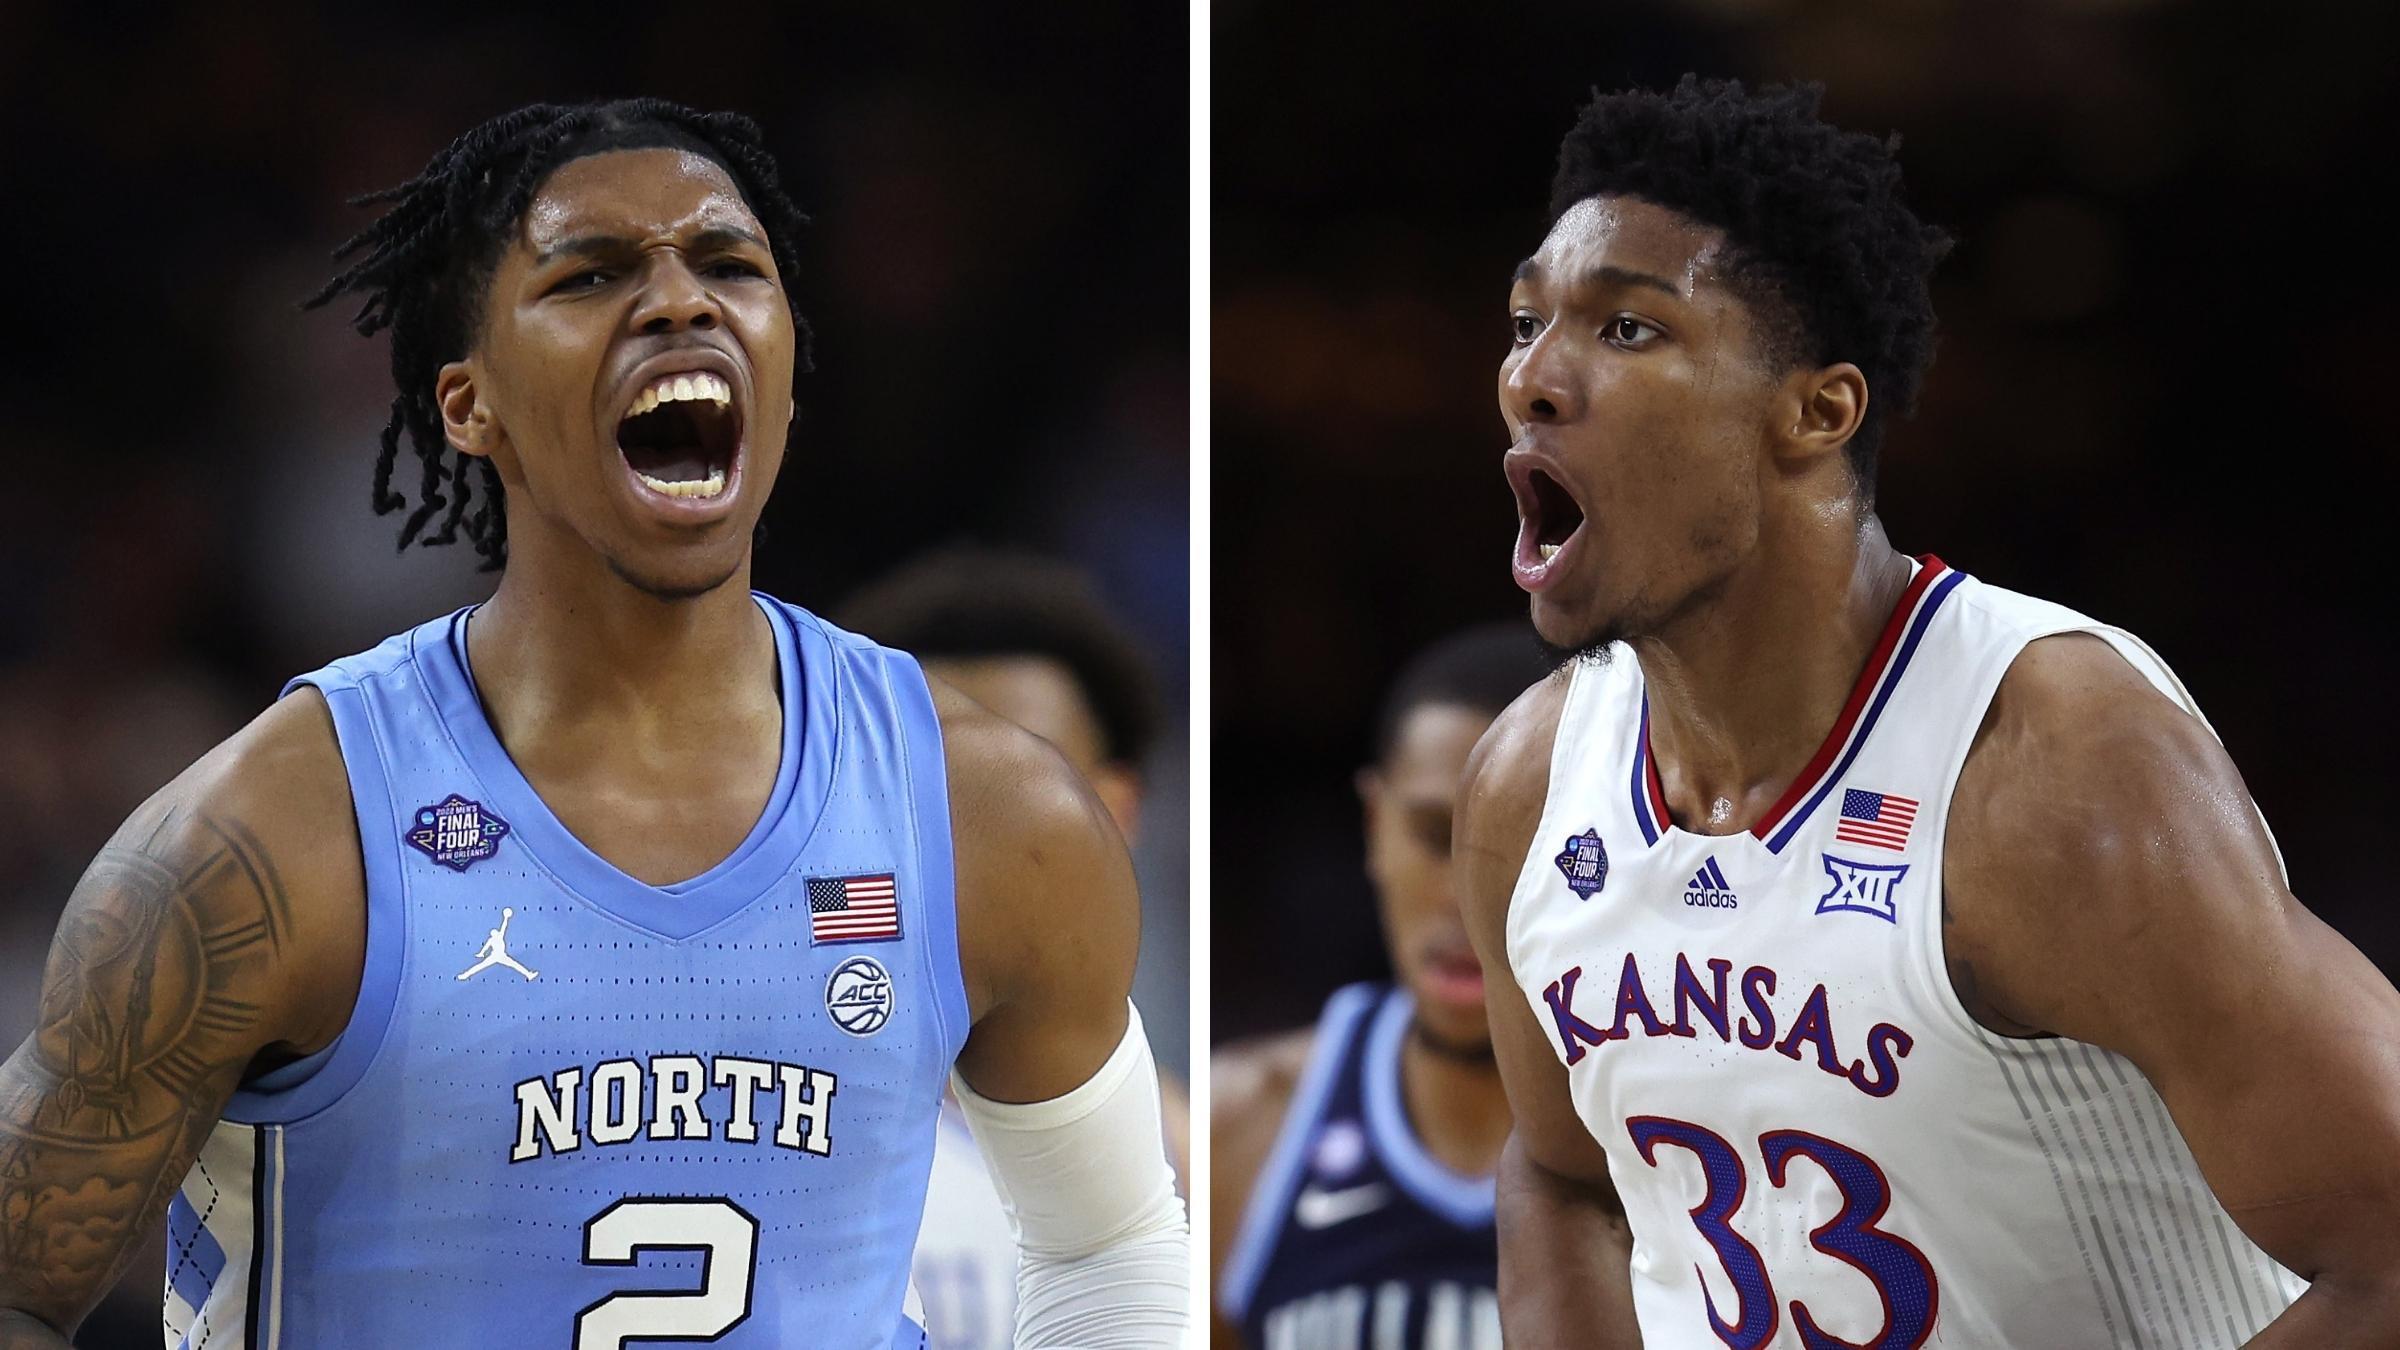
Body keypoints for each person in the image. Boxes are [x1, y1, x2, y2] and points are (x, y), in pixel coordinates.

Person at [0, 99, 1185, 1349]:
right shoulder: (270, 840)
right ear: (471, 406)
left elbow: (1109, 1248)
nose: (681, 301)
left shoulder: (987, 812)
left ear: (785, 372)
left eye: (730, 265)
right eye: (593, 274)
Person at [1457, 76, 2400, 1347]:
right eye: (1525, 323)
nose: (1533, 379)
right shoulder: (1527, 784)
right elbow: (1563, 1179)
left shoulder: (2051, 762)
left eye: (1627, 330)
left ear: (1818, 411)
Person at [837, 547, 1187, 1349]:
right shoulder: (756, 1124)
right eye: (921, 787)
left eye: (1021, 790)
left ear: (1113, 815)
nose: (969, 839)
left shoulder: (1205, 1168)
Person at [1212, 624, 1552, 1350]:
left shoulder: (1677, 1154)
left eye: (1519, 850)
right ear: (1374, 826)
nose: (1465, 900)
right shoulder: (1232, 1129)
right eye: (1434, 837)